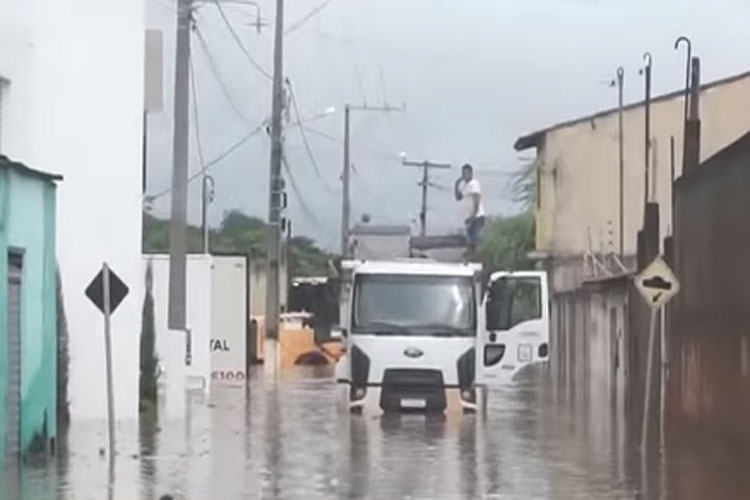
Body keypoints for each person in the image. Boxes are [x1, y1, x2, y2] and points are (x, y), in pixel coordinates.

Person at [454, 163, 486, 260]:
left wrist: (473, 215)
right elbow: (458, 197)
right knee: (470, 240)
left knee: (475, 240)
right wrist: (456, 184)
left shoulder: (474, 184)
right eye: (463, 173)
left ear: (471, 173)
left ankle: (476, 259)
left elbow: (476, 199)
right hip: (469, 218)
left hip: (476, 217)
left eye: (466, 173)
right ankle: (472, 258)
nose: (464, 175)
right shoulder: (465, 185)